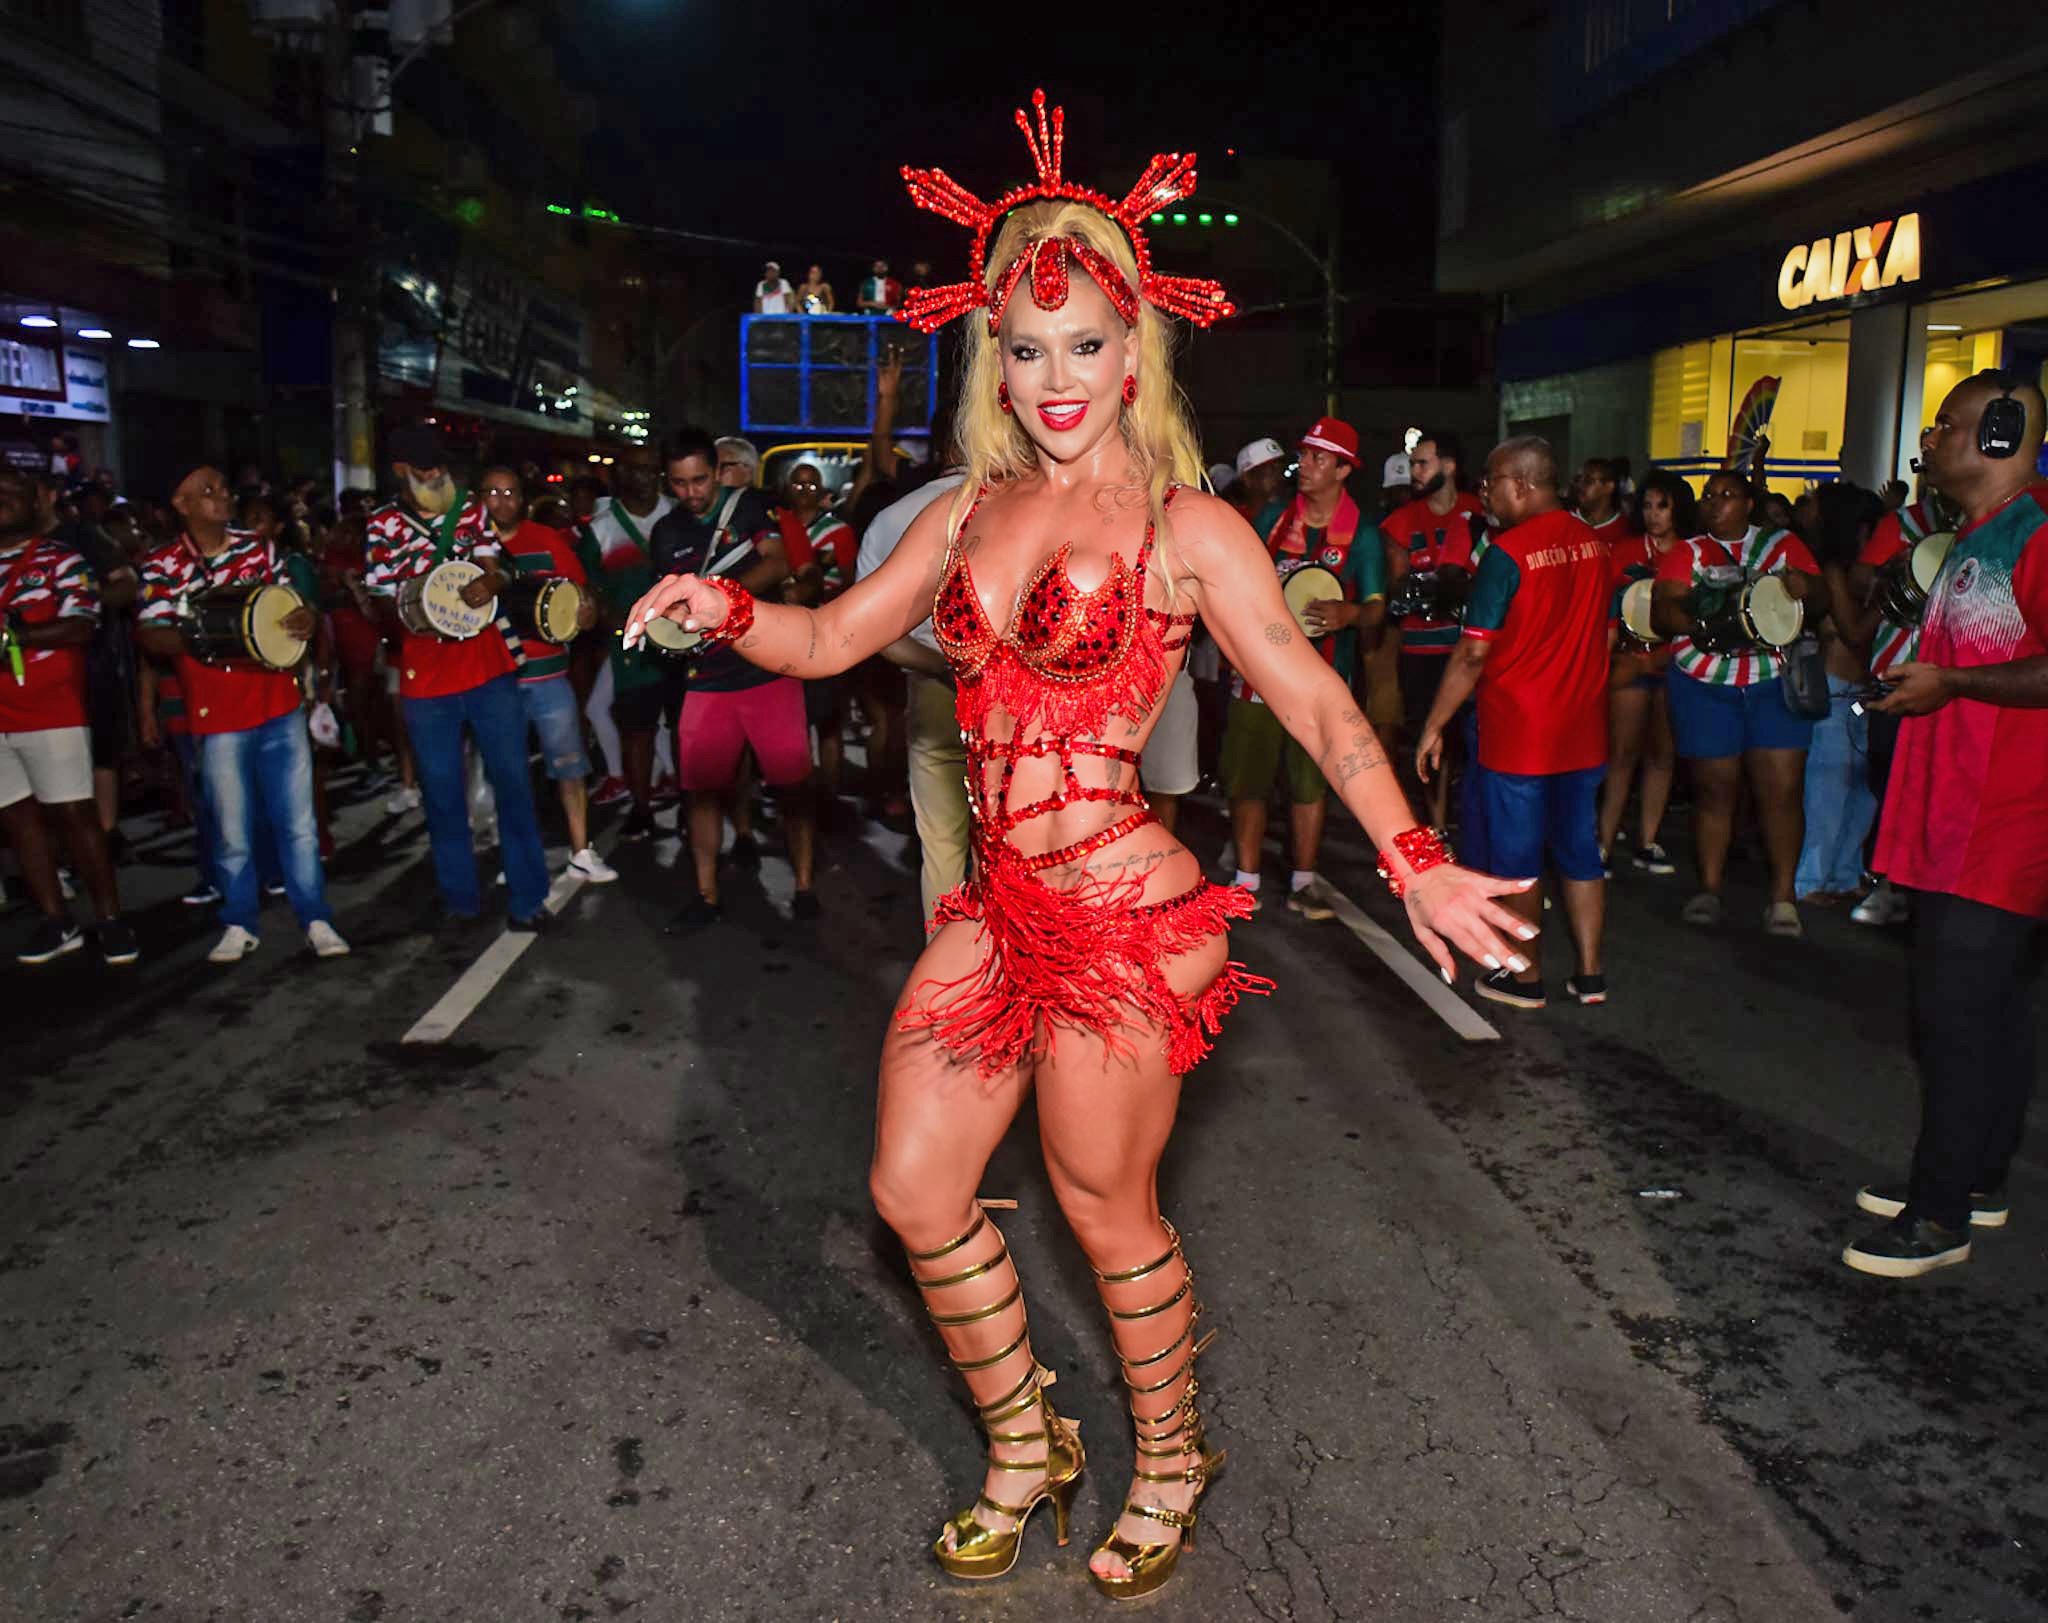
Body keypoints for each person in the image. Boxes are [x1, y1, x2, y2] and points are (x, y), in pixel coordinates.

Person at [624, 105, 1528, 1599]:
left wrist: (1415, 853)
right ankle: (1025, 1440)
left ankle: (1171, 1456)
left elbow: (1309, 696)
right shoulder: (970, 509)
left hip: (1126, 909)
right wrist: (712, 608)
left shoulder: (1193, 526)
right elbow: (836, 635)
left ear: (1134, 349)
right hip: (998, 908)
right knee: (916, 1188)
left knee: (1105, 1204)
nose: (1057, 379)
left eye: (1089, 343)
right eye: (1028, 350)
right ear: (995, 351)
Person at [1844, 371, 2048, 1279]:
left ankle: (1937, 1217)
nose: (1929, 438)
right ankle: (1977, 1180)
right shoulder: (1976, 536)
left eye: (1948, 424)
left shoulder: (2038, 535)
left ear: (2001, 435)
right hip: (1957, 819)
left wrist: (1955, 684)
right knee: (1992, 1015)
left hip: (2001, 827)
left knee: (1956, 1018)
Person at [1416, 438, 1612, 1007]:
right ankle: (1591, 973)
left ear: (1523, 485)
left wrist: (1434, 723)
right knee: (1580, 850)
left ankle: (1524, 977)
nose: (1485, 492)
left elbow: (1473, 654)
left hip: (1520, 733)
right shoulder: (1597, 547)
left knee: (1518, 862)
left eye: (1493, 481)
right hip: (1584, 727)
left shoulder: (1507, 555)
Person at [136, 467, 348, 963]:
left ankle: (315, 917)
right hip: (215, 713)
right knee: (232, 829)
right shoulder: (163, 563)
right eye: (207, 492)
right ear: (181, 504)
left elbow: (290, 612)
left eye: (223, 488)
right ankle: (238, 921)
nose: (222, 496)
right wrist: (211, 632)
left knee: (297, 825)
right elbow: (150, 635)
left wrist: (303, 620)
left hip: (277, 702)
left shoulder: (258, 549)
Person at [361, 424, 551, 931]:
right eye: (425, 471)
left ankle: (529, 898)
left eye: (442, 469)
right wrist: (418, 603)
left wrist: (487, 580)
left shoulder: (470, 510)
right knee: (442, 796)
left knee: (513, 784)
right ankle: (460, 899)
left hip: (487, 667)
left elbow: (496, 568)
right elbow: (382, 599)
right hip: (426, 676)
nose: (436, 477)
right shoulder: (381, 525)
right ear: (402, 471)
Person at [1219, 415, 1386, 919]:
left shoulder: (1364, 535)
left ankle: (1304, 881)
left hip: (1321, 681)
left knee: (1309, 782)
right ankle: (1246, 877)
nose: (1305, 465)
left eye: (1318, 458)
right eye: (1306, 454)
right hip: (1257, 677)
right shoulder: (1272, 519)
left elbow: (1378, 608)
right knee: (1248, 779)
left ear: (1343, 470)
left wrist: (1350, 613)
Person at [1650, 470, 1824, 934]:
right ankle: (1709, 888)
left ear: (1749, 503)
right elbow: (1661, 611)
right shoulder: (1686, 552)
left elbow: (1820, 595)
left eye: (1727, 495)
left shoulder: (1782, 545)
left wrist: (1807, 590)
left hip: (1772, 682)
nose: (1715, 503)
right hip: (1705, 684)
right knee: (1715, 791)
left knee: (1782, 793)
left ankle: (1784, 898)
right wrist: (1700, 613)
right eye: (1709, 495)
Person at [649, 434, 811, 925]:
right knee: (699, 790)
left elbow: (779, 562)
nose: (691, 492)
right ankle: (706, 893)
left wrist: (721, 601)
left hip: (767, 669)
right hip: (705, 678)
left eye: (699, 480)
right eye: (679, 483)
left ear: (717, 472)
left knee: (793, 786)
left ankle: (804, 886)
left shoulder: (749, 509)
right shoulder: (665, 532)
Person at [0, 464, 137, 965]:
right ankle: (57, 921)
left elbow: (82, 624)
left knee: (75, 816)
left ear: (36, 500)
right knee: (17, 819)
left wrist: (17, 638)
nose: (2, 499)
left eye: (11, 491)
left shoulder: (62, 559)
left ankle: (111, 921)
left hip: (51, 710)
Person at [479, 466, 614, 884]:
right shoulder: (467, 549)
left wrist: (586, 609)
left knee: (571, 766)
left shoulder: (547, 539)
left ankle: (581, 852)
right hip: (496, 679)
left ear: (522, 497)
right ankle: (516, 857)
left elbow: (580, 591)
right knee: (508, 771)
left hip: (550, 675)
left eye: (510, 492)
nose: (501, 501)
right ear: (479, 498)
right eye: (492, 493)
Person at [1841, 453, 1956, 927]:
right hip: (1895, 670)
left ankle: (1930, 887)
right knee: (1887, 776)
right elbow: (1858, 578)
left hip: (1955, 680)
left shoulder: (1993, 522)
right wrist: (1896, 567)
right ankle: (1887, 878)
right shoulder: (1904, 522)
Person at [1380, 430, 1486, 829]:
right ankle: (1438, 829)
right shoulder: (1400, 522)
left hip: (1474, 652)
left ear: (1450, 466)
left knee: (1474, 746)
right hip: (1422, 653)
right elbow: (1397, 593)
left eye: (1422, 463)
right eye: (1413, 465)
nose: (1414, 472)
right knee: (1431, 742)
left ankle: (1475, 828)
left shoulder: (1480, 513)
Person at [576, 443, 676, 839]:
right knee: (638, 730)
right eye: (637, 470)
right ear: (620, 476)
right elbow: (588, 589)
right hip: (632, 646)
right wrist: (609, 618)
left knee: (686, 725)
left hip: (685, 640)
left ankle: (689, 801)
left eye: (653, 470)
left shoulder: (679, 513)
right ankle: (641, 807)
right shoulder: (600, 528)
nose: (646, 478)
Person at [1597, 469, 1693, 874]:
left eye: (1663, 506)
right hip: (1630, 659)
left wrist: (1666, 656)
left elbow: (1695, 616)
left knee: (1662, 754)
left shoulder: (1692, 553)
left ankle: (1647, 841)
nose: (1654, 514)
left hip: (1673, 662)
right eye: (1648, 506)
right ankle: (1601, 844)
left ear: (1679, 510)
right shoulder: (1623, 550)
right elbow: (1606, 608)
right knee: (1621, 754)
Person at [1793, 480, 1884, 904]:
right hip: (1834, 692)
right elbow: (1853, 632)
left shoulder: (1854, 573)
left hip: (1860, 693)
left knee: (1860, 791)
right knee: (1827, 791)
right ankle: (1811, 880)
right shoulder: (1832, 571)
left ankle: (1845, 874)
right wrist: (1887, 599)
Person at [781, 461, 860, 804]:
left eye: (811, 485)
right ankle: (795, 791)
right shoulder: (774, 527)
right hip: (784, 633)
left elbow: (847, 578)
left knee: (828, 720)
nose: (804, 492)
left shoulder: (838, 531)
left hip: (824, 630)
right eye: (798, 485)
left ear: (823, 491)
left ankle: (828, 792)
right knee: (789, 718)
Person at [1571, 456, 1635, 540]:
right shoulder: (1567, 520)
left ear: (1609, 487)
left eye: (1588, 480)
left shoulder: (1625, 529)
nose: (1580, 485)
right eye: (1578, 479)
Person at [1228, 436, 1287, 520]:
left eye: (1280, 468)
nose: (1278, 475)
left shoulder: (1292, 515)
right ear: (1247, 478)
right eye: (1270, 469)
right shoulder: (1234, 518)